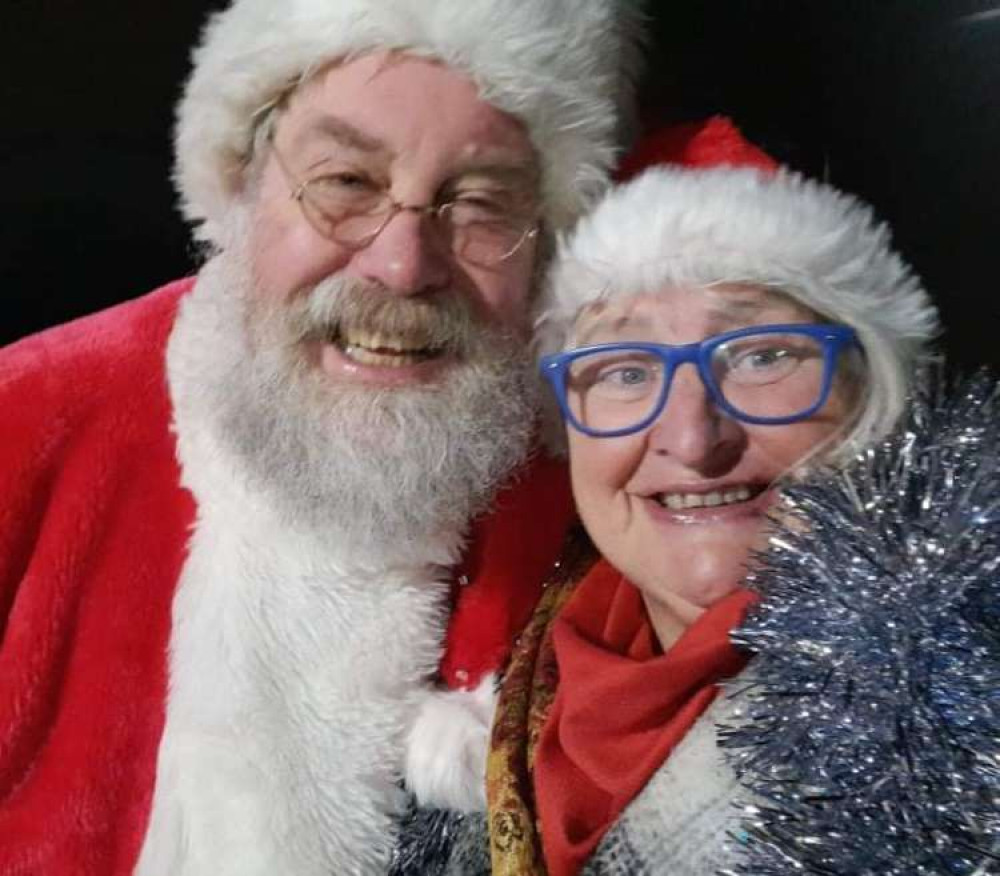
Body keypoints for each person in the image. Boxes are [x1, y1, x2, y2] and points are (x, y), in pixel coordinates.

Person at [0, 2, 645, 874]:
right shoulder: (26, 420)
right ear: (243, 186)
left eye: (482, 204)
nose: (403, 264)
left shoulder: (626, 494)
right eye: (346, 183)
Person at [481, 118, 944, 875]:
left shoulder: (959, 716)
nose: (694, 439)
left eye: (761, 355)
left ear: (872, 397)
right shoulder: (491, 692)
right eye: (626, 370)